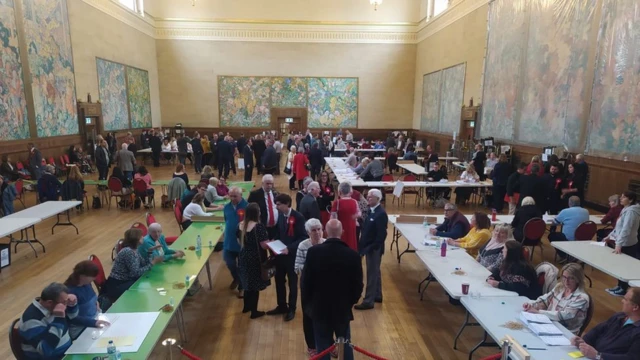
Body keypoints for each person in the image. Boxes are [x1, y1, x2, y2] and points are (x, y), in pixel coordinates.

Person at [302, 219, 363, 360]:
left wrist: (310, 304)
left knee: (322, 346)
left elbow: (306, 283)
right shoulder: (353, 255)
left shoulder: (313, 252)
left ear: (326, 232)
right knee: (345, 344)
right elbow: (358, 285)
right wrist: (350, 302)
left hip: (319, 307)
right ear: (342, 232)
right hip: (342, 308)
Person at [570, 287, 640, 359]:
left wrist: (598, 355)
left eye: (625, 299)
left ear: (635, 307)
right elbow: (597, 330)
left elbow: (631, 358)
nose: (622, 301)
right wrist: (583, 342)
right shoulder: (619, 316)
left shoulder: (637, 332)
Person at [523, 263, 590, 335]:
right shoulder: (560, 287)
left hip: (565, 333)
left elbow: (563, 315)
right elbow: (545, 300)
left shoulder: (582, 298)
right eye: (564, 277)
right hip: (549, 324)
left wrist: (539, 312)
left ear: (578, 279)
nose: (566, 281)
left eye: (571, 278)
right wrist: (531, 304)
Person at [270, 193, 307, 321]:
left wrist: (289, 248)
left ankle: (292, 308)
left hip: (291, 256)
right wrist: (273, 240)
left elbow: (303, 237)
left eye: (279, 204)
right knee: (279, 281)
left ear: (287, 204)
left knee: (292, 283)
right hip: (280, 255)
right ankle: (281, 306)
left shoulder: (298, 217)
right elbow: (280, 232)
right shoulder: (280, 215)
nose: (276, 207)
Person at [19, 283, 80, 359]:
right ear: (49, 303)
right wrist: (59, 319)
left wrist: (72, 305)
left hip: (68, 351)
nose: (65, 305)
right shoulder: (31, 320)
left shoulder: (55, 306)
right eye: (64, 302)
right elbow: (45, 350)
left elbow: (73, 318)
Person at [102, 229, 163, 305]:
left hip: (126, 281)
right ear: (136, 239)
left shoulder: (135, 250)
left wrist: (149, 252)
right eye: (141, 237)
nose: (143, 238)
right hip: (118, 285)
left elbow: (143, 264)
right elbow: (135, 273)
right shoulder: (128, 252)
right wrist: (153, 263)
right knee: (145, 289)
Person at [295, 219, 326, 357]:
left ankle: (328, 345)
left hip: (324, 286)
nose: (317, 232)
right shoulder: (303, 245)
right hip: (308, 286)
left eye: (319, 229)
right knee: (309, 316)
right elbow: (297, 267)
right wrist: (312, 268)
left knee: (326, 316)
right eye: (313, 230)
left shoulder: (326, 244)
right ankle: (312, 346)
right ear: (308, 232)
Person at [236, 203, 271, 318]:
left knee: (247, 283)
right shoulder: (258, 227)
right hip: (255, 258)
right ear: (256, 213)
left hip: (243, 256)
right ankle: (254, 312)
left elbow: (238, 241)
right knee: (255, 286)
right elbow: (264, 246)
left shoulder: (240, 225)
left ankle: (246, 307)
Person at [355, 189, 388, 310]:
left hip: (374, 249)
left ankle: (368, 300)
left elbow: (381, 236)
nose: (368, 198)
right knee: (375, 272)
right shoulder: (371, 210)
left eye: (370, 197)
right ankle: (378, 294)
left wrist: (370, 248)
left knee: (371, 274)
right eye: (367, 196)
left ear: (378, 199)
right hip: (368, 246)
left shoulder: (380, 214)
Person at [603, 191, 640, 296]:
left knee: (624, 266)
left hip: (627, 243)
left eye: (624, 197)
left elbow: (626, 229)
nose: (621, 199)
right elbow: (618, 227)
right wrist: (609, 236)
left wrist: (619, 244)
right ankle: (619, 285)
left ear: (631, 200)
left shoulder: (631, 212)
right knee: (619, 266)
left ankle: (623, 288)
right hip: (622, 242)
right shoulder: (625, 209)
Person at [63, 261, 111, 340]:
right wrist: (94, 323)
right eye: (92, 276)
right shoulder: (70, 293)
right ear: (82, 276)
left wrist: (96, 302)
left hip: (95, 318)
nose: (94, 278)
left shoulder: (87, 283)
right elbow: (73, 318)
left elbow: (92, 297)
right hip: (81, 327)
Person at [549, 196, 590, 262]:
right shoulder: (586, 211)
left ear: (569, 203)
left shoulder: (565, 211)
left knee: (552, 235)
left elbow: (555, 223)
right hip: (583, 238)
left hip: (569, 238)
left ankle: (564, 255)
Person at [223, 187, 248, 298]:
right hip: (229, 241)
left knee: (242, 266)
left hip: (242, 242)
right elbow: (226, 220)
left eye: (235, 196)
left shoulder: (247, 206)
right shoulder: (226, 207)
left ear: (241, 195)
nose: (232, 198)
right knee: (230, 263)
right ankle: (237, 279)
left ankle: (242, 287)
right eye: (231, 196)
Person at [330, 182, 360, 251]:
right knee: (351, 246)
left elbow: (332, 218)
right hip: (352, 228)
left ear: (339, 192)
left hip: (340, 229)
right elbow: (359, 214)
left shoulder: (337, 202)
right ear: (350, 191)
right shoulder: (354, 201)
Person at [247, 175, 279, 239]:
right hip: (262, 228)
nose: (269, 185)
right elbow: (250, 211)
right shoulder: (255, 195)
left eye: (271, 183)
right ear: (262, 183)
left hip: (275, 228)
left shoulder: (276, 193)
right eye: (267, 183)